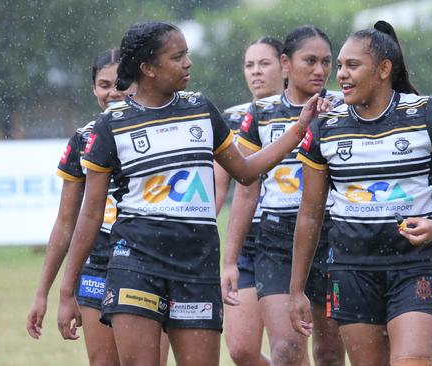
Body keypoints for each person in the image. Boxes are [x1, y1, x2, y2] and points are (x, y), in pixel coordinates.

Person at [55, 21, 324, 366]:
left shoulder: (201, 108)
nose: (188, 63)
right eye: (177, 56)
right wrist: (67, 291)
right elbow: (90, 215)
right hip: (135, 261)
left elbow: (245, 171)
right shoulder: (111, 125)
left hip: (196, 266)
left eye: (187, 55)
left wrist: (299, 128)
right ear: (148, 69)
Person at [289, 21, 432, 366]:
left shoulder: (426, 115)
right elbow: (311, 213)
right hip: (350, 269)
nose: (341, 75)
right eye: (341, 66)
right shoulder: (326, 127)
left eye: (352, 65)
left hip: (414, 266)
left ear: (383, 70)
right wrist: (296, 289)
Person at [26, 48, 169, 366]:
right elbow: (66, 223)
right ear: (94, 89)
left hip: (150, 264)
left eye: (121, 84)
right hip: (98, 266)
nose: (113, 92)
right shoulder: (83, 139)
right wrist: (44, 293)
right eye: (104, 85)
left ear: (136, 83)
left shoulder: (161, 133)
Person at [221, 25, 346, 366]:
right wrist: (230, 259)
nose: (320, 70)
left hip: (332, 236)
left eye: (326, 62)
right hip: (275, 239)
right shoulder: (260, 113)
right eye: (310, 61)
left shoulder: (343, 108)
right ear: (287, 64)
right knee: (287, 351)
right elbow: (246, 189)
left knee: (330, 353)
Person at [216, 36, 285, 366]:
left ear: (285, 66)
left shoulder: (305, 114)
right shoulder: (231, 119)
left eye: (264, 63)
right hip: (247, 241)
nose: (256, 72)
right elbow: (218, 189)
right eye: (249, 65)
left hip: (291, 238)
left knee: (294, 349)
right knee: (241, 349)